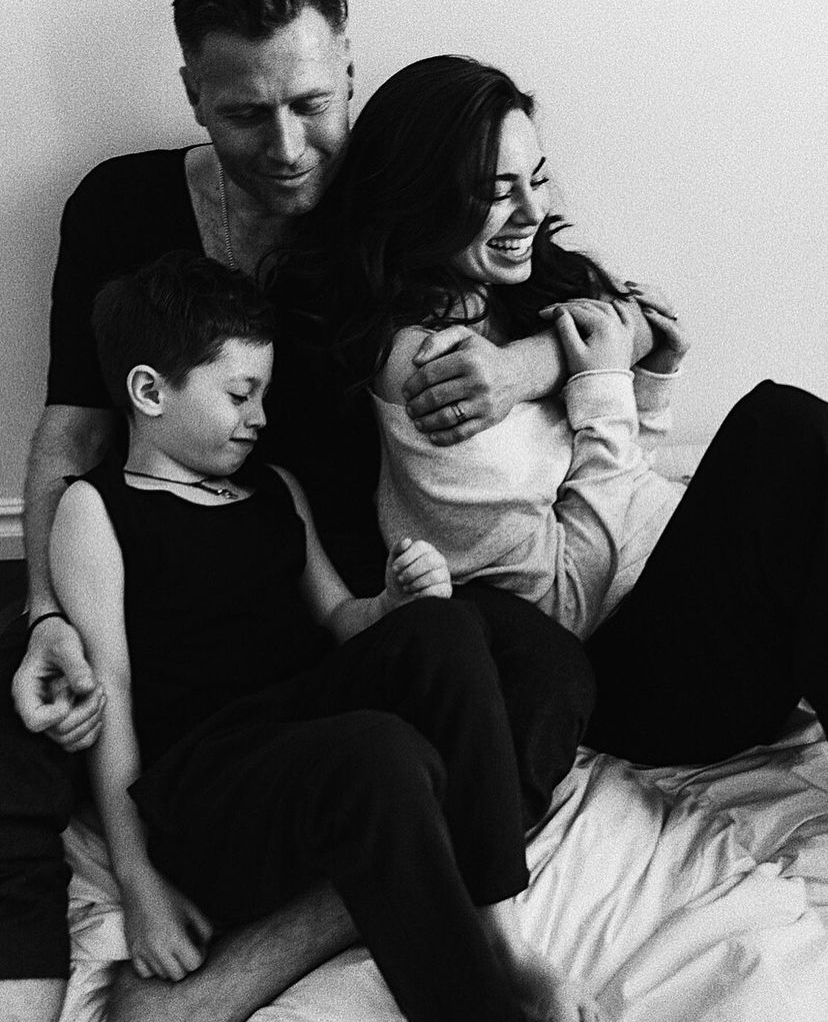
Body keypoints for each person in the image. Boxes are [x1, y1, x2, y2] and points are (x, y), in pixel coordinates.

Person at [3, 4, 660, 1019]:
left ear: (349, 70)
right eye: (245, 112)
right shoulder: (121, 208)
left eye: (311, 103)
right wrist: (49, 609)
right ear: (192, 92)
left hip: (333, 599)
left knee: (538, 667)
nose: (287, 146)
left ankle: (339, 939)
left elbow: (628, 314)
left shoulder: (399, 195)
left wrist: (520, 365)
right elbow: (71, 429)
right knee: (19, 697)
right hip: (166, 614)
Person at [49, 249, 603, 1022]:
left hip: (301, 727)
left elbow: (342, 618)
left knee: (440, 626)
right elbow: (109, 692)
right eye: (239, 394)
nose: (260, 417)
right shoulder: (96, 509)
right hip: (206, 782)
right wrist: (139, 882)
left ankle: (501, 937)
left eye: (264, 394)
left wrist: (395, 602)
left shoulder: (274, 488)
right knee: (384, 752)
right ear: (150, 392)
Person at [279, 53, 828, 769]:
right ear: (420, 201)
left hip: (691, 624)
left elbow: (623, 463)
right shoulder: (430, 376)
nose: (533, 213)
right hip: (639, 682)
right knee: (782, 430)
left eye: (535, 180)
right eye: (495, 192)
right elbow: (566, 606)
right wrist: (601, 382)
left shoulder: (515, 298)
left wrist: (644, 378)